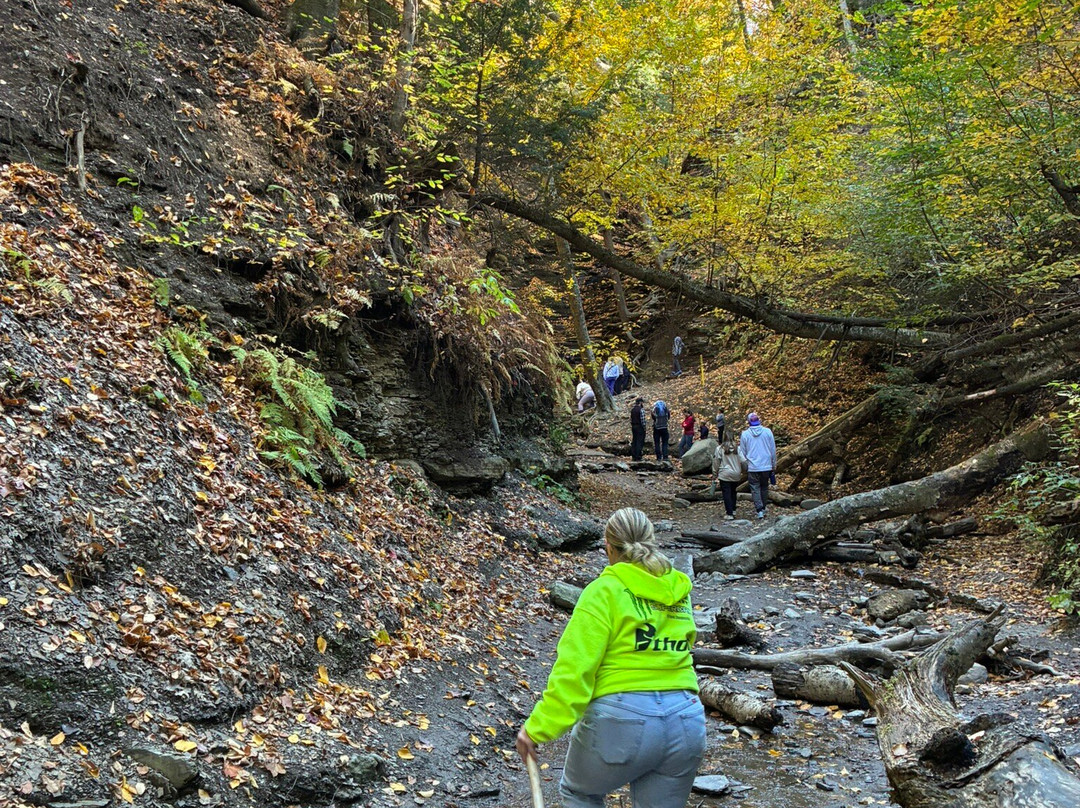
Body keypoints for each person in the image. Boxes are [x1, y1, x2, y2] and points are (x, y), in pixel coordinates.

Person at [515, 508, 706, 808]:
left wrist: (537, 728)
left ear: (608, 547)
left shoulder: (603, 591)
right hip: (686, 719)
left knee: (579, 793)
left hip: (622, 718)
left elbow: (574, 672)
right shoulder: (679, 591)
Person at [739, 412, 777, 519]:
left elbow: (743, 452)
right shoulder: (767, 432)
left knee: (755, 488)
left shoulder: (745, 434)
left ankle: (759, 509)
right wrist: (774, 464)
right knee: (764, 487)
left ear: (749, 422)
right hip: (766, 465)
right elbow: (773, 449)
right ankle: (763, 507)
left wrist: (745, 465)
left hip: (752, 466)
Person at [709, 426, 744, 520]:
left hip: (724, 473)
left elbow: (716, 462)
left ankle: (729, 513)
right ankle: (733, 509)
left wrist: (714, 474)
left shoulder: (720, 449)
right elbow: (743, 460)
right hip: (736, 473)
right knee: (733, 491)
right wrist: (745, 470)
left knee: (726, 493)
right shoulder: (738, 449)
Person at [629, 397, 647, 461]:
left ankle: (633, 456)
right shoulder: (641, 410)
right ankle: (638, 456)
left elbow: (631, 419)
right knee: (639, 441)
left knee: (634, 440)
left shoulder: (633, 409)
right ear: (640, 402)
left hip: (633, 426)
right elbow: (643, 420)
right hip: (639, 427)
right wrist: (644, 428)